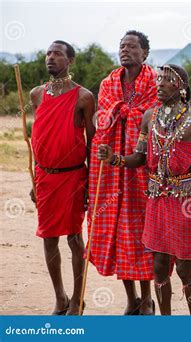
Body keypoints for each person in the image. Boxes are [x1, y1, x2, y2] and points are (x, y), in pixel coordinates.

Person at [97, 64, 191, 315]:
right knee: (159, 265)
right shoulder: (149, 116)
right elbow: (139, 158)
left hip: (187, 200)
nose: (159, 84)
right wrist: (114, 159)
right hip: (157, 199)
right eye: (158, 79)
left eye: (167, 80)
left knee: (184, 266)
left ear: (181, 87)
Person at [88, 30, 157, 315]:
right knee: (117, 233)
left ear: (144, 53)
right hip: (111, 169)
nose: (125, 50)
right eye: (121, 46)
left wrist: (129, 113)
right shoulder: (108, 83)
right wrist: (120, 111)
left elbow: (156, 116)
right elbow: (102, 119)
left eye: (132, 46)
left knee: (142, 232)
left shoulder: (155, 81)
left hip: (142, 166)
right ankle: (131, 299)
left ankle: (148, 297)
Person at [30, 40, 95, 315]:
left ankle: (78, 299)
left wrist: (90, 183)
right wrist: (33, 179)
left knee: (73, 237)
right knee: (48, 238)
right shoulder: (36, 95)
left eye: (57, 54)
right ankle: (60, 297)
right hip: (45, 177)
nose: (51, 57)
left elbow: (92, 141)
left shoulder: (83, 97)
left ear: (70, 61)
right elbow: (38, 139)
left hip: (72, 177)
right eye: (48, 53)